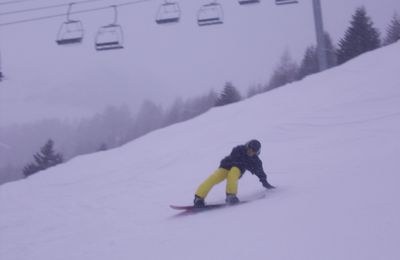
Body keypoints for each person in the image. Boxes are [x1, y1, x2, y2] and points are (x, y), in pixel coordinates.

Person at [193, 139, 275, 207]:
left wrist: (265, 182)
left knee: (233, 173)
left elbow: (260, 172)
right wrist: (246, 163)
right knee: (215, 177)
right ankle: (198, 198)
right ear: (247, 146)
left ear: (256, 152)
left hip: (237, 169)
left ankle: (231, 196)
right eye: (249, 148)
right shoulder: (239, 149)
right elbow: (235, 158)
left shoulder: (255, 161)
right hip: (226, 166)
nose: (250, 151)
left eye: (253, 151)